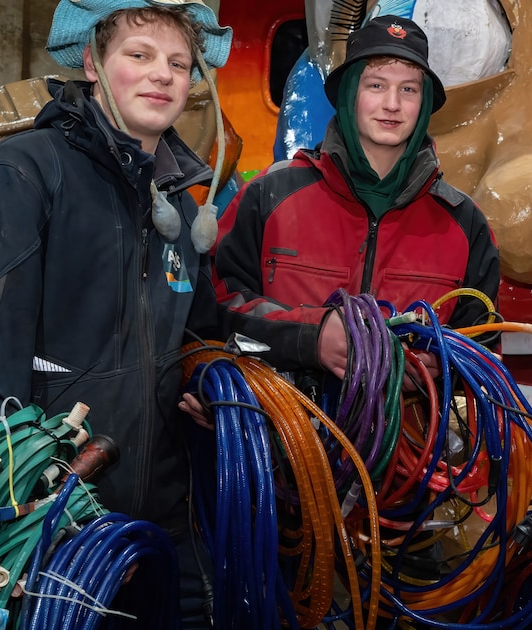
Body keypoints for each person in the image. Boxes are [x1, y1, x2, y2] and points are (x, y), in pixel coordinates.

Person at [0, 2, 289, 626]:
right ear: (93, 63)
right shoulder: (26, 172)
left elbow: (200, 334)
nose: (163, 75)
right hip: (53, 521)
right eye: (139, 55)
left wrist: (218, 385)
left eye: (179, 63)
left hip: (165, 520)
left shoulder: (179, 205)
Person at [198, 14, 499, 392]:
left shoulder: (464, 222)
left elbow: (486, 353)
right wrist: (312, 337)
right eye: (376, 85)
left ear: (423, 105)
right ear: (349, 94)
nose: (392, 104)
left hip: (410, 429)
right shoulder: (268, 194)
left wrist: (442, 368)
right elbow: (214, 307)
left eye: (408, 89)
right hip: (284, 424)